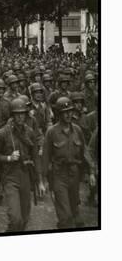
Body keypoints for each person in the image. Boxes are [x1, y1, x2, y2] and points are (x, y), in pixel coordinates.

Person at [0, 98, 46, 232]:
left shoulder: (29, 132)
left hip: (26, 175)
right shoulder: (3, 132)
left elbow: (36, 157)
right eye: (17, 114)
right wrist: (8, 157)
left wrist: (40, 181)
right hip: (10, 177)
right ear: (12, 115)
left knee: (25, 217)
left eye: (23, 114)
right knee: (15, 218)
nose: (20, 117)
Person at [42, 97, 96, 228]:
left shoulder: (77, 130)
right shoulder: (52, 132)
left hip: (74, 174)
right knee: (65, 214)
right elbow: (45, 157)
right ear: (59, 114)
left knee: (74, 207)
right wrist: (42, 181)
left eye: (70, 111)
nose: (68, 114)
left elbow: (85, 153)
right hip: (59, 174)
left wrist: (91, 172)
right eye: (64, 112)